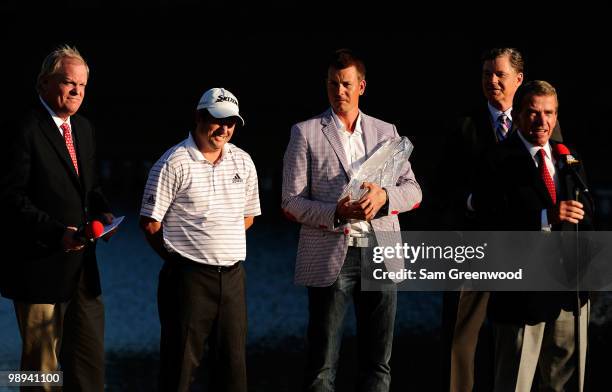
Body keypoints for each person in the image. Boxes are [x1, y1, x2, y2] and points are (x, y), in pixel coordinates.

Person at [281, 48, 422, 391]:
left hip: (381, 253)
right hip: (331, 255)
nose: (338, 91)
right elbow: (289, 202)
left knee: (378, 366)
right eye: (332, 84)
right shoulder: (306, 132)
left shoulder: (386, 130)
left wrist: (385, 197)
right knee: (321, 368)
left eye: (345, 84)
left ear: (362, 86)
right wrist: (336, 212)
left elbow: (414, 191)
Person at [438, 47, 563, 392]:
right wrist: (471, 202)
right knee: (460, 342)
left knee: (519, 340)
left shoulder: (543, 121)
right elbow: (443, 187)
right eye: (485, 75)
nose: (491, 81)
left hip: (527, 250)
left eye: (499, 74)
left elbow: (556, 181)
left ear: (518, 79)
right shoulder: (462, 126)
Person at [0, 45, 114, 391]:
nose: (77, 91)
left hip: (84, 270)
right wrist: (55, 233)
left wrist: (103, 213)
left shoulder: (84, 128)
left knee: (89, 365)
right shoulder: (22, 128)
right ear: (45, 83)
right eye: (69, 83)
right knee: (40, 371)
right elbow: (9, 197)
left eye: (82, 85)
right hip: (40, 266)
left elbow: (89, 188)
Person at [470, 80, 592, 391]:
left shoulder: (568, 157)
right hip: (520, 297)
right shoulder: (496, 160)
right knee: (514, 383)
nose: (542, 121)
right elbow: (488, 219)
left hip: (569, 294)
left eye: (549, 113)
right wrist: (543, 217)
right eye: (534, 113)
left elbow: (587, 214)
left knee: (565, 383)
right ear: (520, 115)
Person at [139, 87, 261, 392]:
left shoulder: (244, 162)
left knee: (233, 375)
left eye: (231, 122)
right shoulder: (173, 162)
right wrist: (182, 258)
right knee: (178, 373)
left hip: (233, 279)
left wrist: (218, 241)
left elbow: (248, 216)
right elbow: (150, 223)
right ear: (198, 117)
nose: (224, 129)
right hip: (188, 280)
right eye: (218, 120)